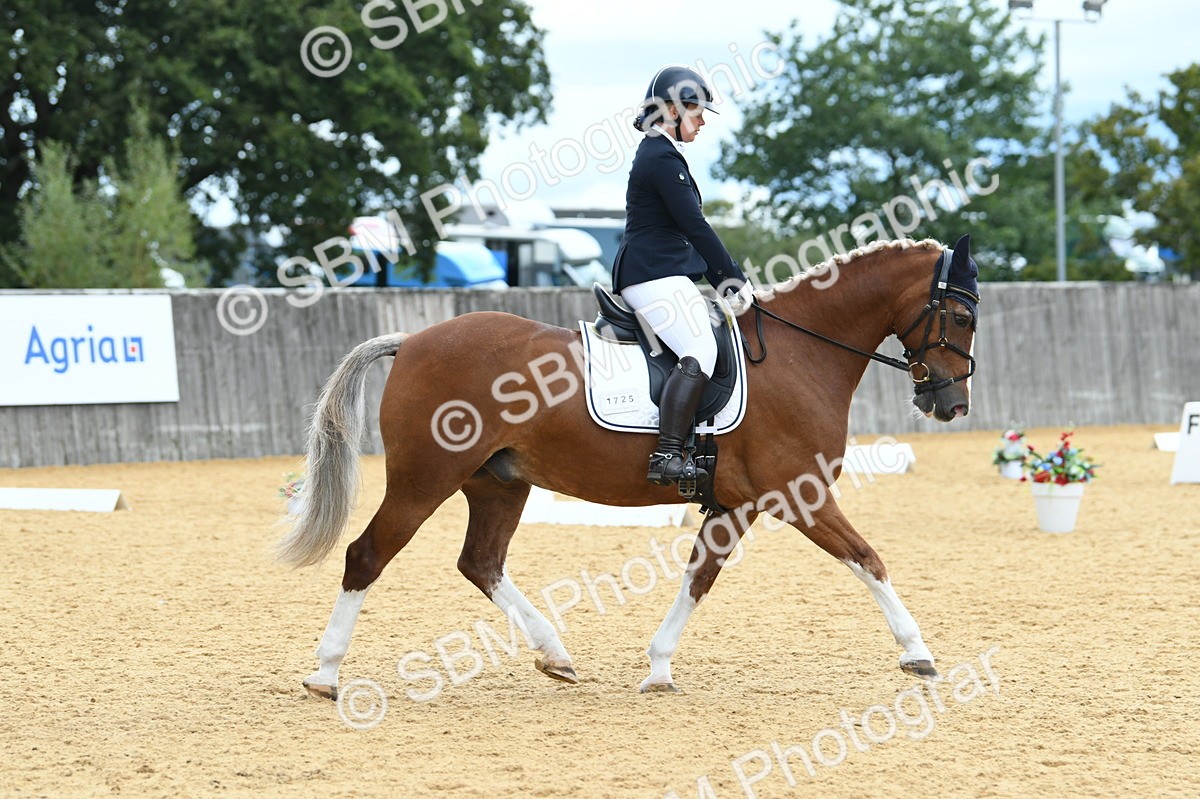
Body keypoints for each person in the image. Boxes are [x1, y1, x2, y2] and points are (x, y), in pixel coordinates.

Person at [611, 64, 755, 487]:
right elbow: (695, 226)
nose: (703, 121)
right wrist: (732, 281)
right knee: (700, 347)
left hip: (660, 271)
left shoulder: (662, 154)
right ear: (672, 110)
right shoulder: (660, 156)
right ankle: (667, 454)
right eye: (697, 112)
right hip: (651, 272)